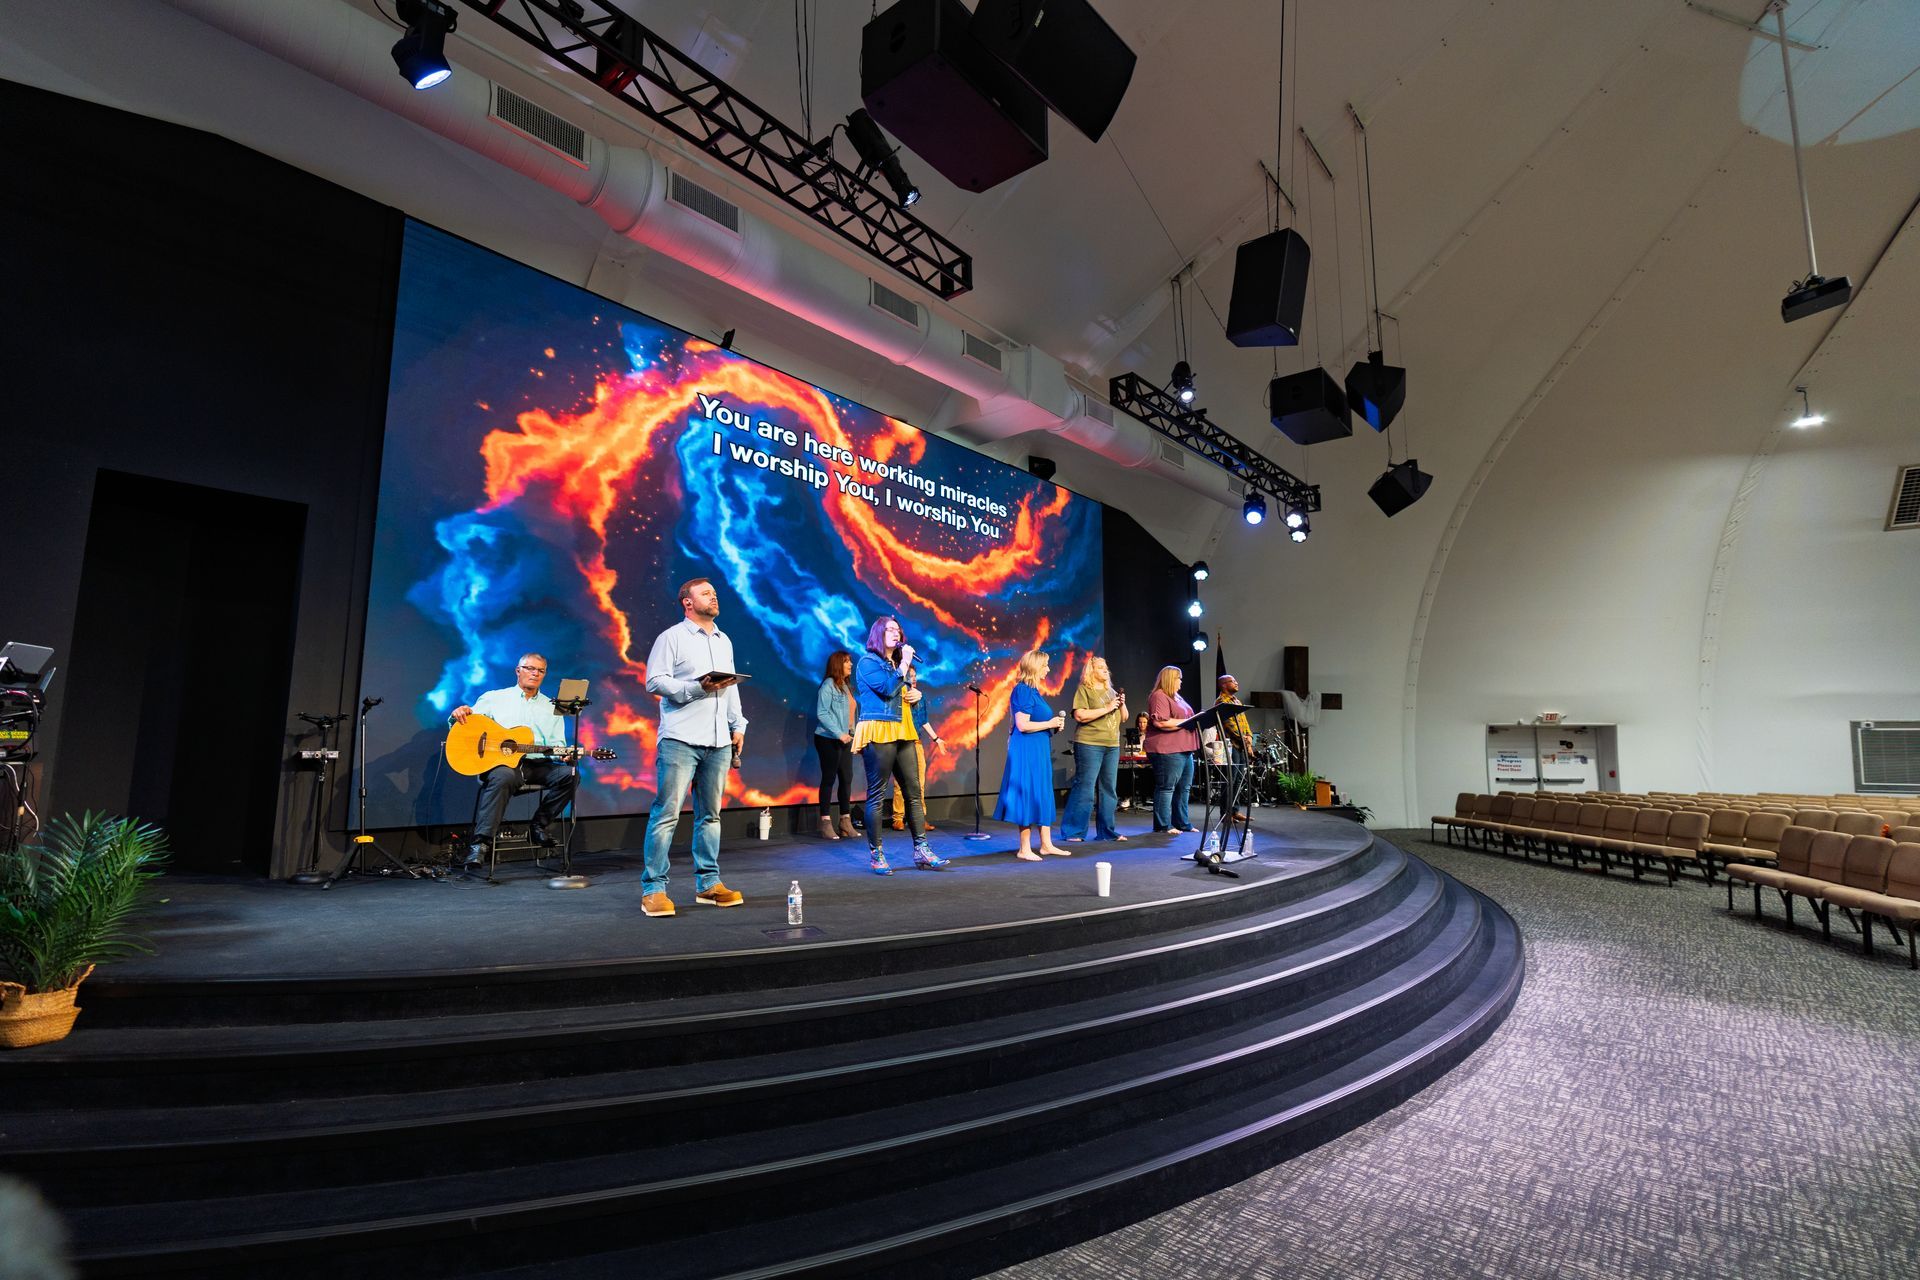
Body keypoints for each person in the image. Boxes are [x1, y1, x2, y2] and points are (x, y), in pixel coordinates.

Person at [639, 577, 747, 917]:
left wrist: (738, 725)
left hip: (717, 741)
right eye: (705, 593)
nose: (714, 596)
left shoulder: (724, 639)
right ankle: (654, 889)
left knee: (710, 816)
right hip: (681, 739)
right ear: (687, 602)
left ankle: (708, 885)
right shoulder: (672, 637)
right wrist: (696, 688)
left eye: (714, 592)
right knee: (667, 815)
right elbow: (654, 680)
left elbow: (729, 686)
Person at [451, 651, 578, 867]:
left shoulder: (553, 707)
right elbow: (468, 726)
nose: (535, 674)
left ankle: (538, 827)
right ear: (518, 670)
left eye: (541, 671)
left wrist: (565, 754)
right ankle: (480, 845)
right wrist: (459, 714)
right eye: (530, 668)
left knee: (570, 775)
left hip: (537, 763)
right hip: (501, 764)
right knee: (503, 777)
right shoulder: (494, 698)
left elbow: (558, 745)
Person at [854, 616, 947, 874]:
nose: (896, 634)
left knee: (914, 792)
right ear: (878, 634)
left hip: (904, 730)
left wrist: (916, 696)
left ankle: (922, 849)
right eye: (890, 630)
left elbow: (902, 694)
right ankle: (877, 855)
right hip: (880, 729)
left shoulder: (896, 664)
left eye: (898, 630)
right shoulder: (867, 662)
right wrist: (904, 663)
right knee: (877, 793)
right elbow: (886, 688)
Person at [993, 650, 1069, 860]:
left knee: (1041, 792)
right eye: (1045, 665)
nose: (1048, 669)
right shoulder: (1023, 690)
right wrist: (1050, 723)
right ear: (1035, 667)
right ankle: (1024, 848)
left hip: (1038, 748)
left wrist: (1051, 727)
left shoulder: (1034, 691)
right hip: (1026, 749)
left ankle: (1046, 844)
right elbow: (1022, 725)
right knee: (1026, 792)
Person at [1060, 656, 1127, 843]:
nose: (1106, 670)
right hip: (1090, 743)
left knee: (1109, 789)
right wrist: (1107, 708)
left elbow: (1124, 718)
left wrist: (1122, 703)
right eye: (1100, 668)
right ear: (1092, 671)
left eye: (1106, 667)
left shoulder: (1111, 691)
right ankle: (1074, 831)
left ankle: (1106, 832)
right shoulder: (1085, 690)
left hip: (1112, 745)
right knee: (1085, 788)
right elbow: (1080, 715)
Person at [891, 668, 949, 831]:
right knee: (899, 783)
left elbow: (923, 720)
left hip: (916, 742)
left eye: (915, 676)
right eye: (910, 676)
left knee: (919, 783)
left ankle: (918, 818)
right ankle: (898, 818)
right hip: (902, 742)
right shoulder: (897, 695)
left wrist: (936, 739)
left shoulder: (920, 697)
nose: (914, 679)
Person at [1145, 664, 1198, 833]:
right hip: (1168, 749)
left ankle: (1182, 823)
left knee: (1184, 787)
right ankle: (1163, 825)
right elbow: (1160, 722)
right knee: (1167, 787)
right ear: (1170, 679)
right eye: (1178, 678)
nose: (1181, 681)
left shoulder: (1178, 697)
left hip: (1185, 748)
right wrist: (1188, 722)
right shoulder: (1159, 696)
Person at [814, 650, 857, 840]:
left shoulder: (846, 686)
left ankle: (845, 822)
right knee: (829, 778)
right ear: (838, 664)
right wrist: (839, 733)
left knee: (847, 778)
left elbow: (850, 716)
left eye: (850, 662)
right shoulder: (828, 685)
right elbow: (822, 713)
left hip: (845, 739)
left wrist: (853, 736)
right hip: (828, 739)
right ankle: (825, 823)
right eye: (847, 662)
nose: (851, 665)